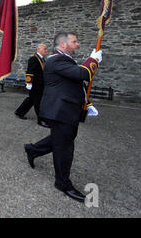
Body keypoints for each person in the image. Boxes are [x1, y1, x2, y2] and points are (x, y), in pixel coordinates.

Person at [24, 32, 102, 203]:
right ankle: (62, 183)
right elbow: (82, 74)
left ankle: (33, 149)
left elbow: (74, 84)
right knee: (64, 148)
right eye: (74, 41)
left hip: (68, 109)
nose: (78, 44)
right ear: (63, 44)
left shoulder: (64, 59)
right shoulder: (55, 60)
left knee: (60, 139)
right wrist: (93, 60)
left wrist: (87, 104)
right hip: (61, 112)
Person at [15, 43, 49, 127]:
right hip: (35, 85)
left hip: (41, 84)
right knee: (38, 102)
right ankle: (41, 120)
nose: (46, 51)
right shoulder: (33, 59)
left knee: (31, 100)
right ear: (39, 49)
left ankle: (19, 112)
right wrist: (29, 83)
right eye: (45, 49)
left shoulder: (42, 59)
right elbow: (30, 71)